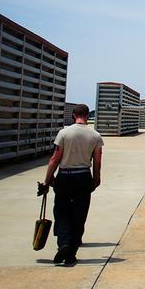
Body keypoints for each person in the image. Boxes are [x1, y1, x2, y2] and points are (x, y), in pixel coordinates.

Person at [41, 103, 103, 265]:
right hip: (83, 176)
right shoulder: (95, 135)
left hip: (64, 177)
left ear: (74, 115)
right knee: (79, 214)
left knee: (61, 212)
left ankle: (64, 243)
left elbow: (55, 158)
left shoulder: (64, 133)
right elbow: (97, 161)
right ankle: (71, 252)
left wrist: (47, 180)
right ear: (88, 116)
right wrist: (96, 179)